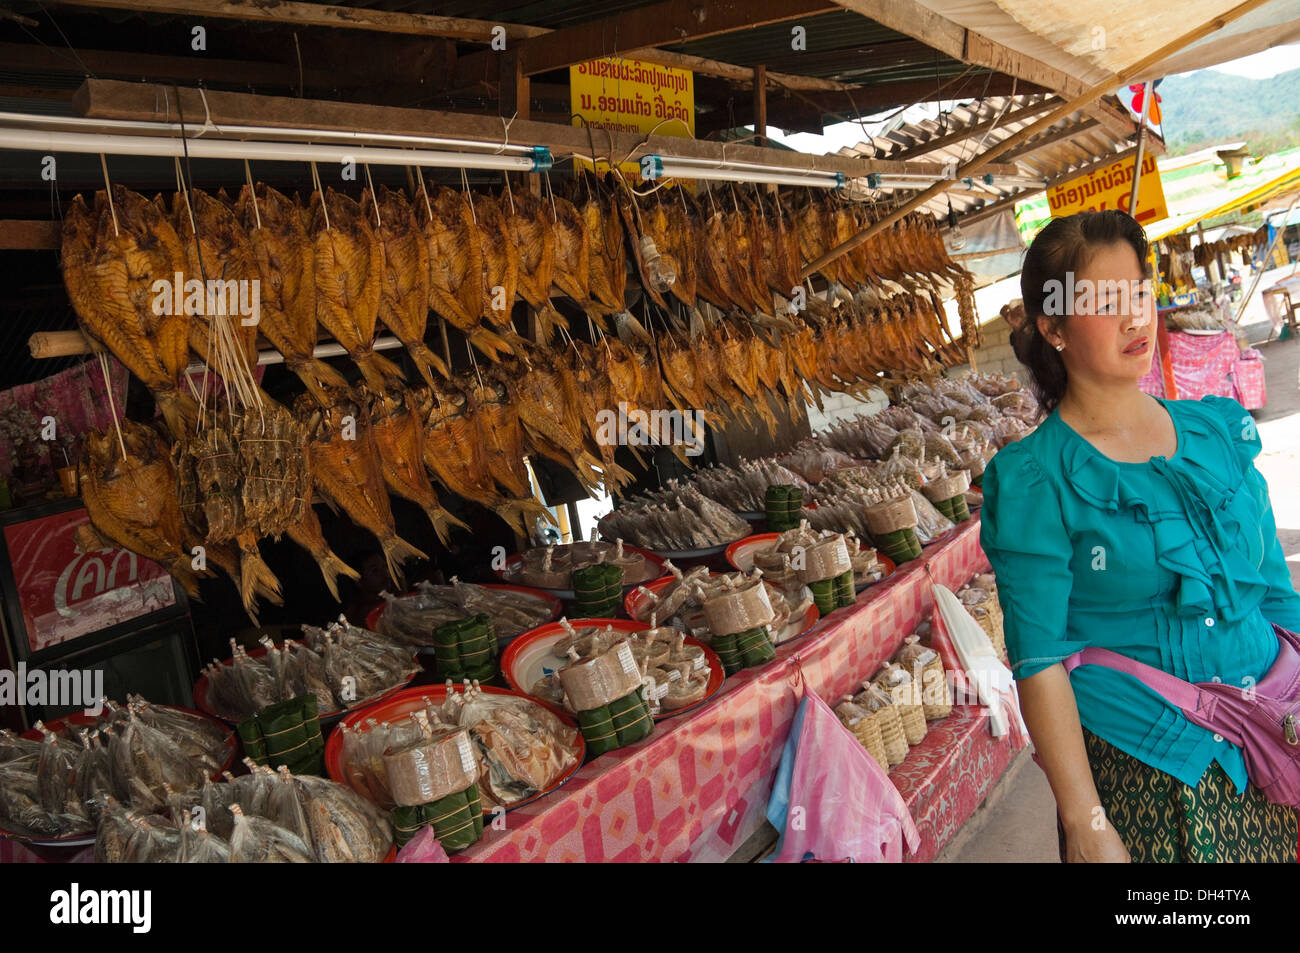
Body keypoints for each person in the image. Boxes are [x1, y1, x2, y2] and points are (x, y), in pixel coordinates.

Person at [980, 209, 1300, 863]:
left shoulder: (1215, 433)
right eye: (1104, 301)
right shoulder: (1034, 480)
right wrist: (1086, 821)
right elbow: (1039, 661)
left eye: (1139, 293)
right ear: (1053, 327)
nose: (1135, 318)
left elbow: (1274, 591)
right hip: (1156, 776)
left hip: (1275, 742)